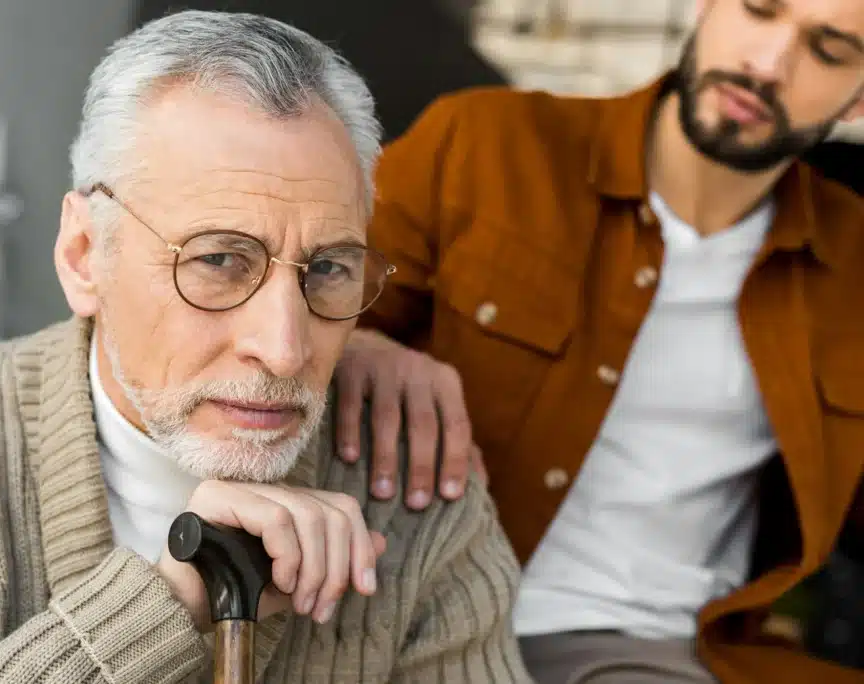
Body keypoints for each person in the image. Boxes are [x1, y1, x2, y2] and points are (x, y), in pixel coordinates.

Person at [0, 11, 529, 683]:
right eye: (220, 261)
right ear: (84, 256)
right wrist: (165, 604)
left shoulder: (417, 497)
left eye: (326, 270)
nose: (285, 350)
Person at [334, 0, 864, 682]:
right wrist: (359, 343)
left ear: (858, 97)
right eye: (758, 9)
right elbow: (283, 310)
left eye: (828, 50)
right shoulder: (486, 142)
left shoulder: (852, 263)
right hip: (422, 614)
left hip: (660, 649)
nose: (768, 65)